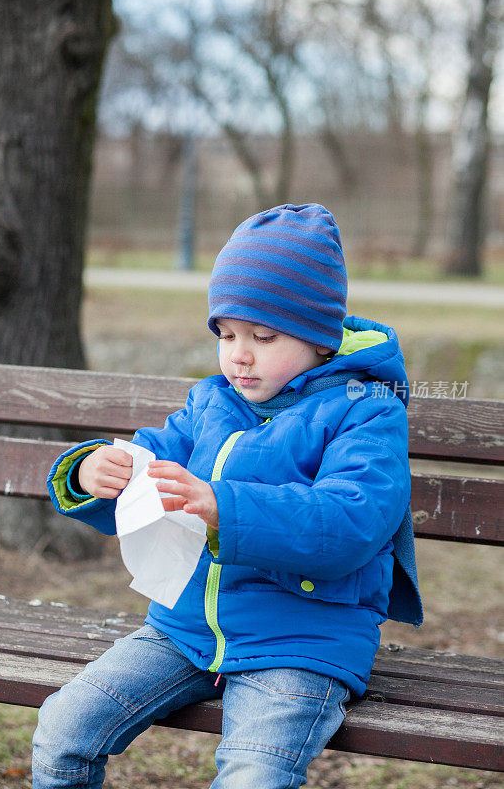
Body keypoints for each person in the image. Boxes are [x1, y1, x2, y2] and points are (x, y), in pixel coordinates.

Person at [34, 203, 423, 789]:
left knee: (252, 778)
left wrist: (224, 505)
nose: (239, 353)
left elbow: (350, 523)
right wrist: (92, 472)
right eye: (227, 334)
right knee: (62, 730)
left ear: (320, 339)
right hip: (184, 630)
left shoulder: (365, 411)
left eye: (263, 337)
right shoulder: (211, 402)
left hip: (301, 641)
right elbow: (150, 466)